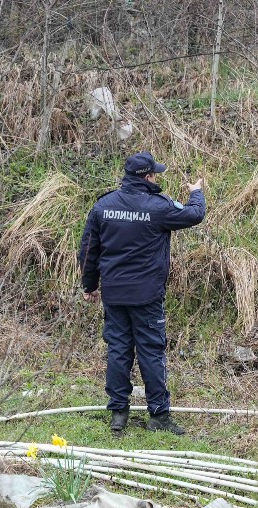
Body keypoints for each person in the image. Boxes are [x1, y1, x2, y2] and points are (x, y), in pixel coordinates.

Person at [78, 151, 205, 435]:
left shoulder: (103, 206)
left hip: (114, 295)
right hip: (146, 296)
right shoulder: (158, 207)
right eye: (155, 173)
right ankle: (159, 416)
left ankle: (118, 414)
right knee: (151, 352)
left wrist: (89, 285)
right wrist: (196, 192)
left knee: (118, 351)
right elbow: (195, 214)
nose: (157, 177)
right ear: (148, 177)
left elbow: (88, 250)